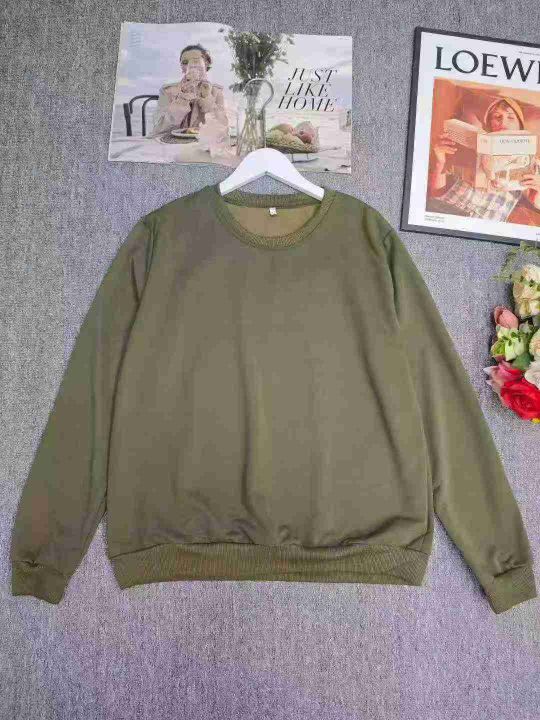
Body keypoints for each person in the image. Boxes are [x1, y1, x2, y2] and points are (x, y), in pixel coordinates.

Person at [428, 96, 540, 223]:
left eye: (510, 117)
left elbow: (536, 202)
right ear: (489, 125)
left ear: (520, 127)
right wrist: (440, 161)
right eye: (497, 116)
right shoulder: (462, 149)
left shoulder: (531, 161)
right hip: (447, 213)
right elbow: (437, 194)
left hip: (484, 223)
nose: (502, 121)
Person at [147, 43, 228, 139]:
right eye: (185, 62)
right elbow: (159, 130)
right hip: (174, 144)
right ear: (182, 68)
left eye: (196, 61)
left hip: (203, 144)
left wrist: (206, 98)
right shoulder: (167, 91)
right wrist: (183, 97)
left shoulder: (216, 91)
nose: (191, 66)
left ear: (206, 64)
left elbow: (222, 129)